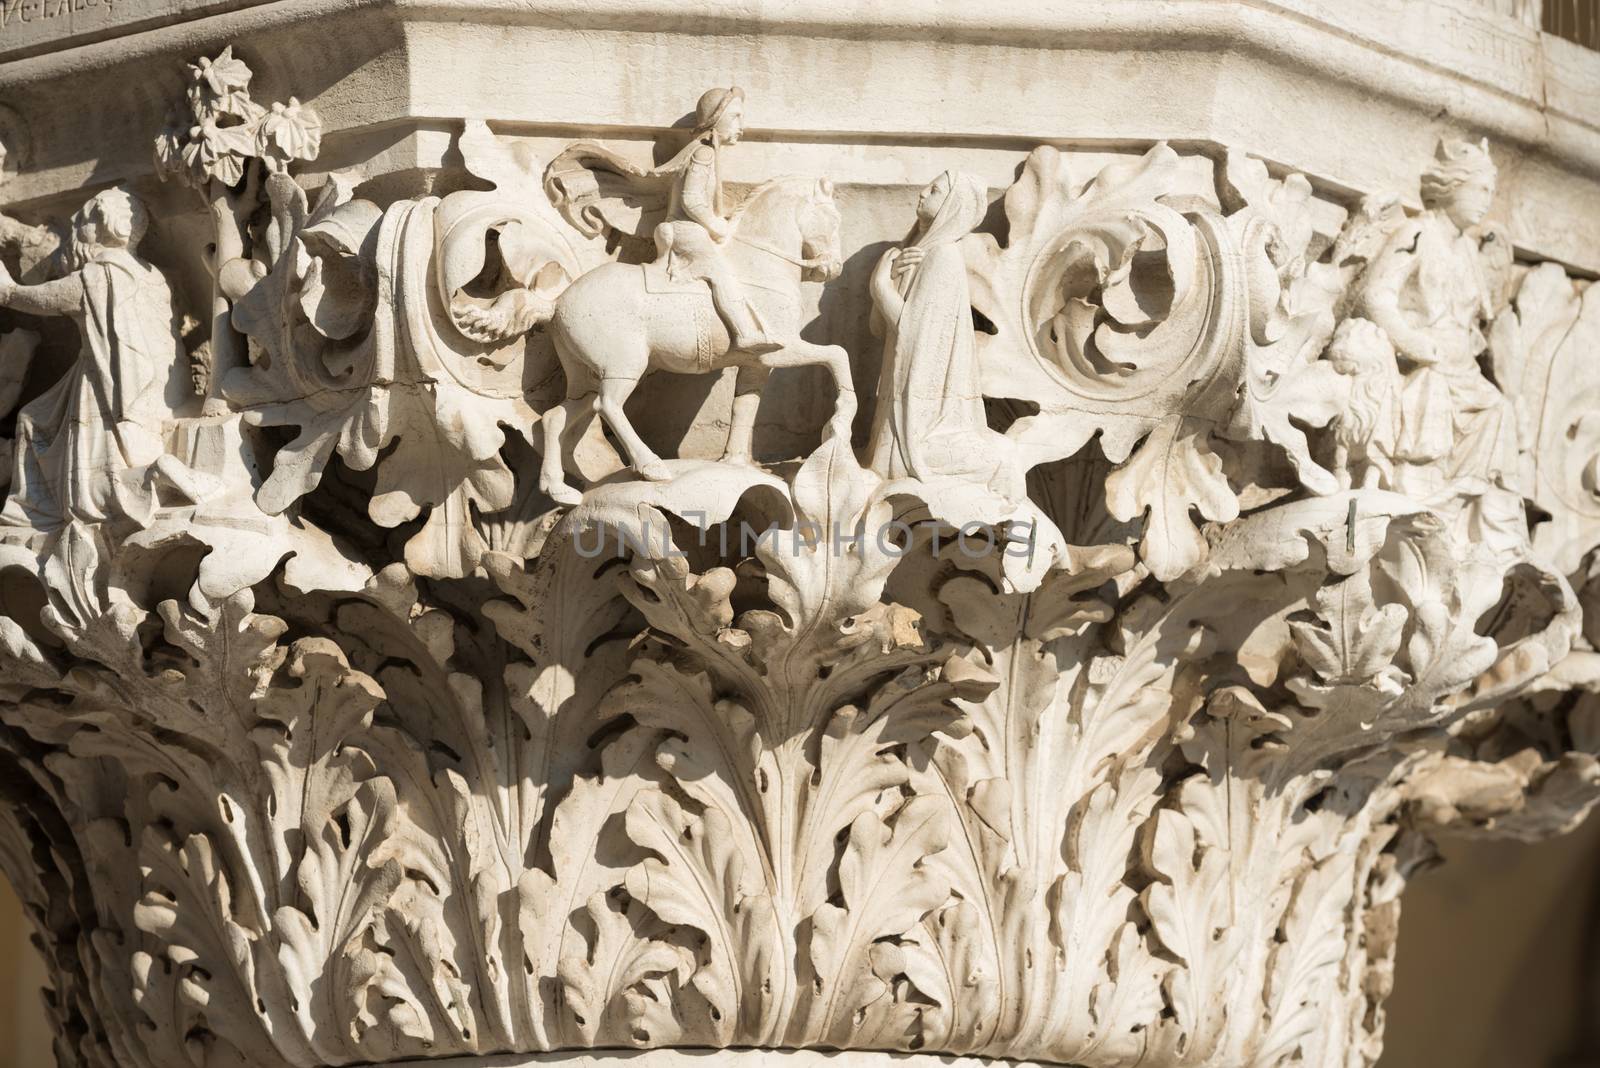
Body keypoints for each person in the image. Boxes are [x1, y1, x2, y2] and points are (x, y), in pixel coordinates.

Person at [0, 185, 216, 531]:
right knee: (32, 416)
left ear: (100, 228)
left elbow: (37, 300)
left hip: (105, 384)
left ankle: (44, 510)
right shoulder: (153, 276)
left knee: (41, 426)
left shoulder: (96, 276)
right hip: (159, 389)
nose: (76, 231)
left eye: (82, 223)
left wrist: (7, 289)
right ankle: (34, 508)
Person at [1355, 139, 1521, 550]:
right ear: (1451, 186)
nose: (1487, 201)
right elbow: (1376, 295)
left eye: (1490, 192)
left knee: (1497, 409)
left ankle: (1462, 509)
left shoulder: (1467, 249)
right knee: (1431, 393)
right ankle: (1418, 494)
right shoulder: (1418, 232)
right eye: (1480, 189)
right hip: (1424, 361)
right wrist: (1412, 341)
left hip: (1461, 365)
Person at [866, 170, 1019, 499]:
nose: (922, 192)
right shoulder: (916, 254)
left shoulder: (943, 256)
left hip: (922, 417)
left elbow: (911, 333)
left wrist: (879, 286)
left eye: (935, 190)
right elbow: (878, 329)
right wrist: (890, 279)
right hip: (896, 402)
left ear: (952, 206)